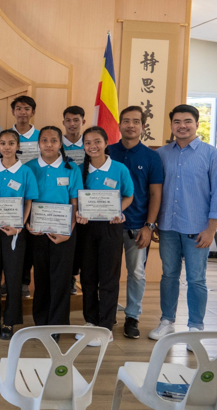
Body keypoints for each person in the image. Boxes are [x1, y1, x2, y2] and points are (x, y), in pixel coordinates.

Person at [149, 104, 217, 341]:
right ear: (171, 125)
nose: (182, 126)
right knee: (169, 275)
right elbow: (155, 191)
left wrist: (211, 229)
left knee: (196, 278)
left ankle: (196, 327)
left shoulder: (213, 154)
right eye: (177, 122)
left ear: (196, 123)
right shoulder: (161, 154)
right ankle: (167, 321)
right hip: (168, 227)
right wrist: (153, 223)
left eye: (187, 121)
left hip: (198, 228)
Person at [75, 126, 134, 345]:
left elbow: (129, 195)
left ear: (106, 143)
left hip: (111, 227)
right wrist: (78, 213)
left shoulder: (119, 169)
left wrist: (120, 211)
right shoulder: (79, 170)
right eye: (88, 142)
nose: (93, 146)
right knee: (88, 276)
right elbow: (75, 198)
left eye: (97, 141)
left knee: (108, 277)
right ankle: (90, 321)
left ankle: (106, 326)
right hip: (87, 228)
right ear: (84, 146)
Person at [108, 106, 163, 339]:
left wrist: (149, 226)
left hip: (137, 226)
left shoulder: (152, 157)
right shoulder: (107, 151)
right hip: (107, 225)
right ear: (119, 125)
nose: (131, 125)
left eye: (136, 121)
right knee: (107, 272)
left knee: (137, 273)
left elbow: (156, 195)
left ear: (142, 126)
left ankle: (132, 316)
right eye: (126, 121)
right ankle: (107, 315)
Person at [25, 126, 82, 331]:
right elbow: (25, 200)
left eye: (54, 141)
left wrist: (68, 231)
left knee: (61, 278)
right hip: (37, 230)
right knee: (40, 276)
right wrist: (28, 225)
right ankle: (41, 321)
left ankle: (57, 325)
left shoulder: (71, 168)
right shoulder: (29, 167)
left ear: (60, 143)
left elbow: (75, 203)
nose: (49, 145)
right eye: (44, 140)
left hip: (64, 231)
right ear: (38, 144)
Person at [0, 129, 38, 340]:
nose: (7, 147)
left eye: (11, 143)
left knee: (14, 277)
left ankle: (10, 320)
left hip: (16, 233)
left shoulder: (25, 172)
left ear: (18, 146)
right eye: (3, 143)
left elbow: (28, 202)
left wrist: (19, 227)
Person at [11, 95, 40, 298]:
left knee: (29, 242)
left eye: (26, 108)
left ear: (33, 112)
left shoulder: (41, 136)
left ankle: (24, 282)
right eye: (19, 108)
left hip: (36, 194)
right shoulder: (6, 135)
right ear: (13, 112)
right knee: (11, 240)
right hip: (11, 197)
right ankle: (10, 280)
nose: (22, 112)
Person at [62, 105, 86, 296]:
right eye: (68, 120)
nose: (72, 124)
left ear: (83, 122)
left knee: (79, 243)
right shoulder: (56, 143)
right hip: (62, 199)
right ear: (63, 123)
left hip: (88, 200)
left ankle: (72, 277)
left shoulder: (89, 143)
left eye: (76, 120)